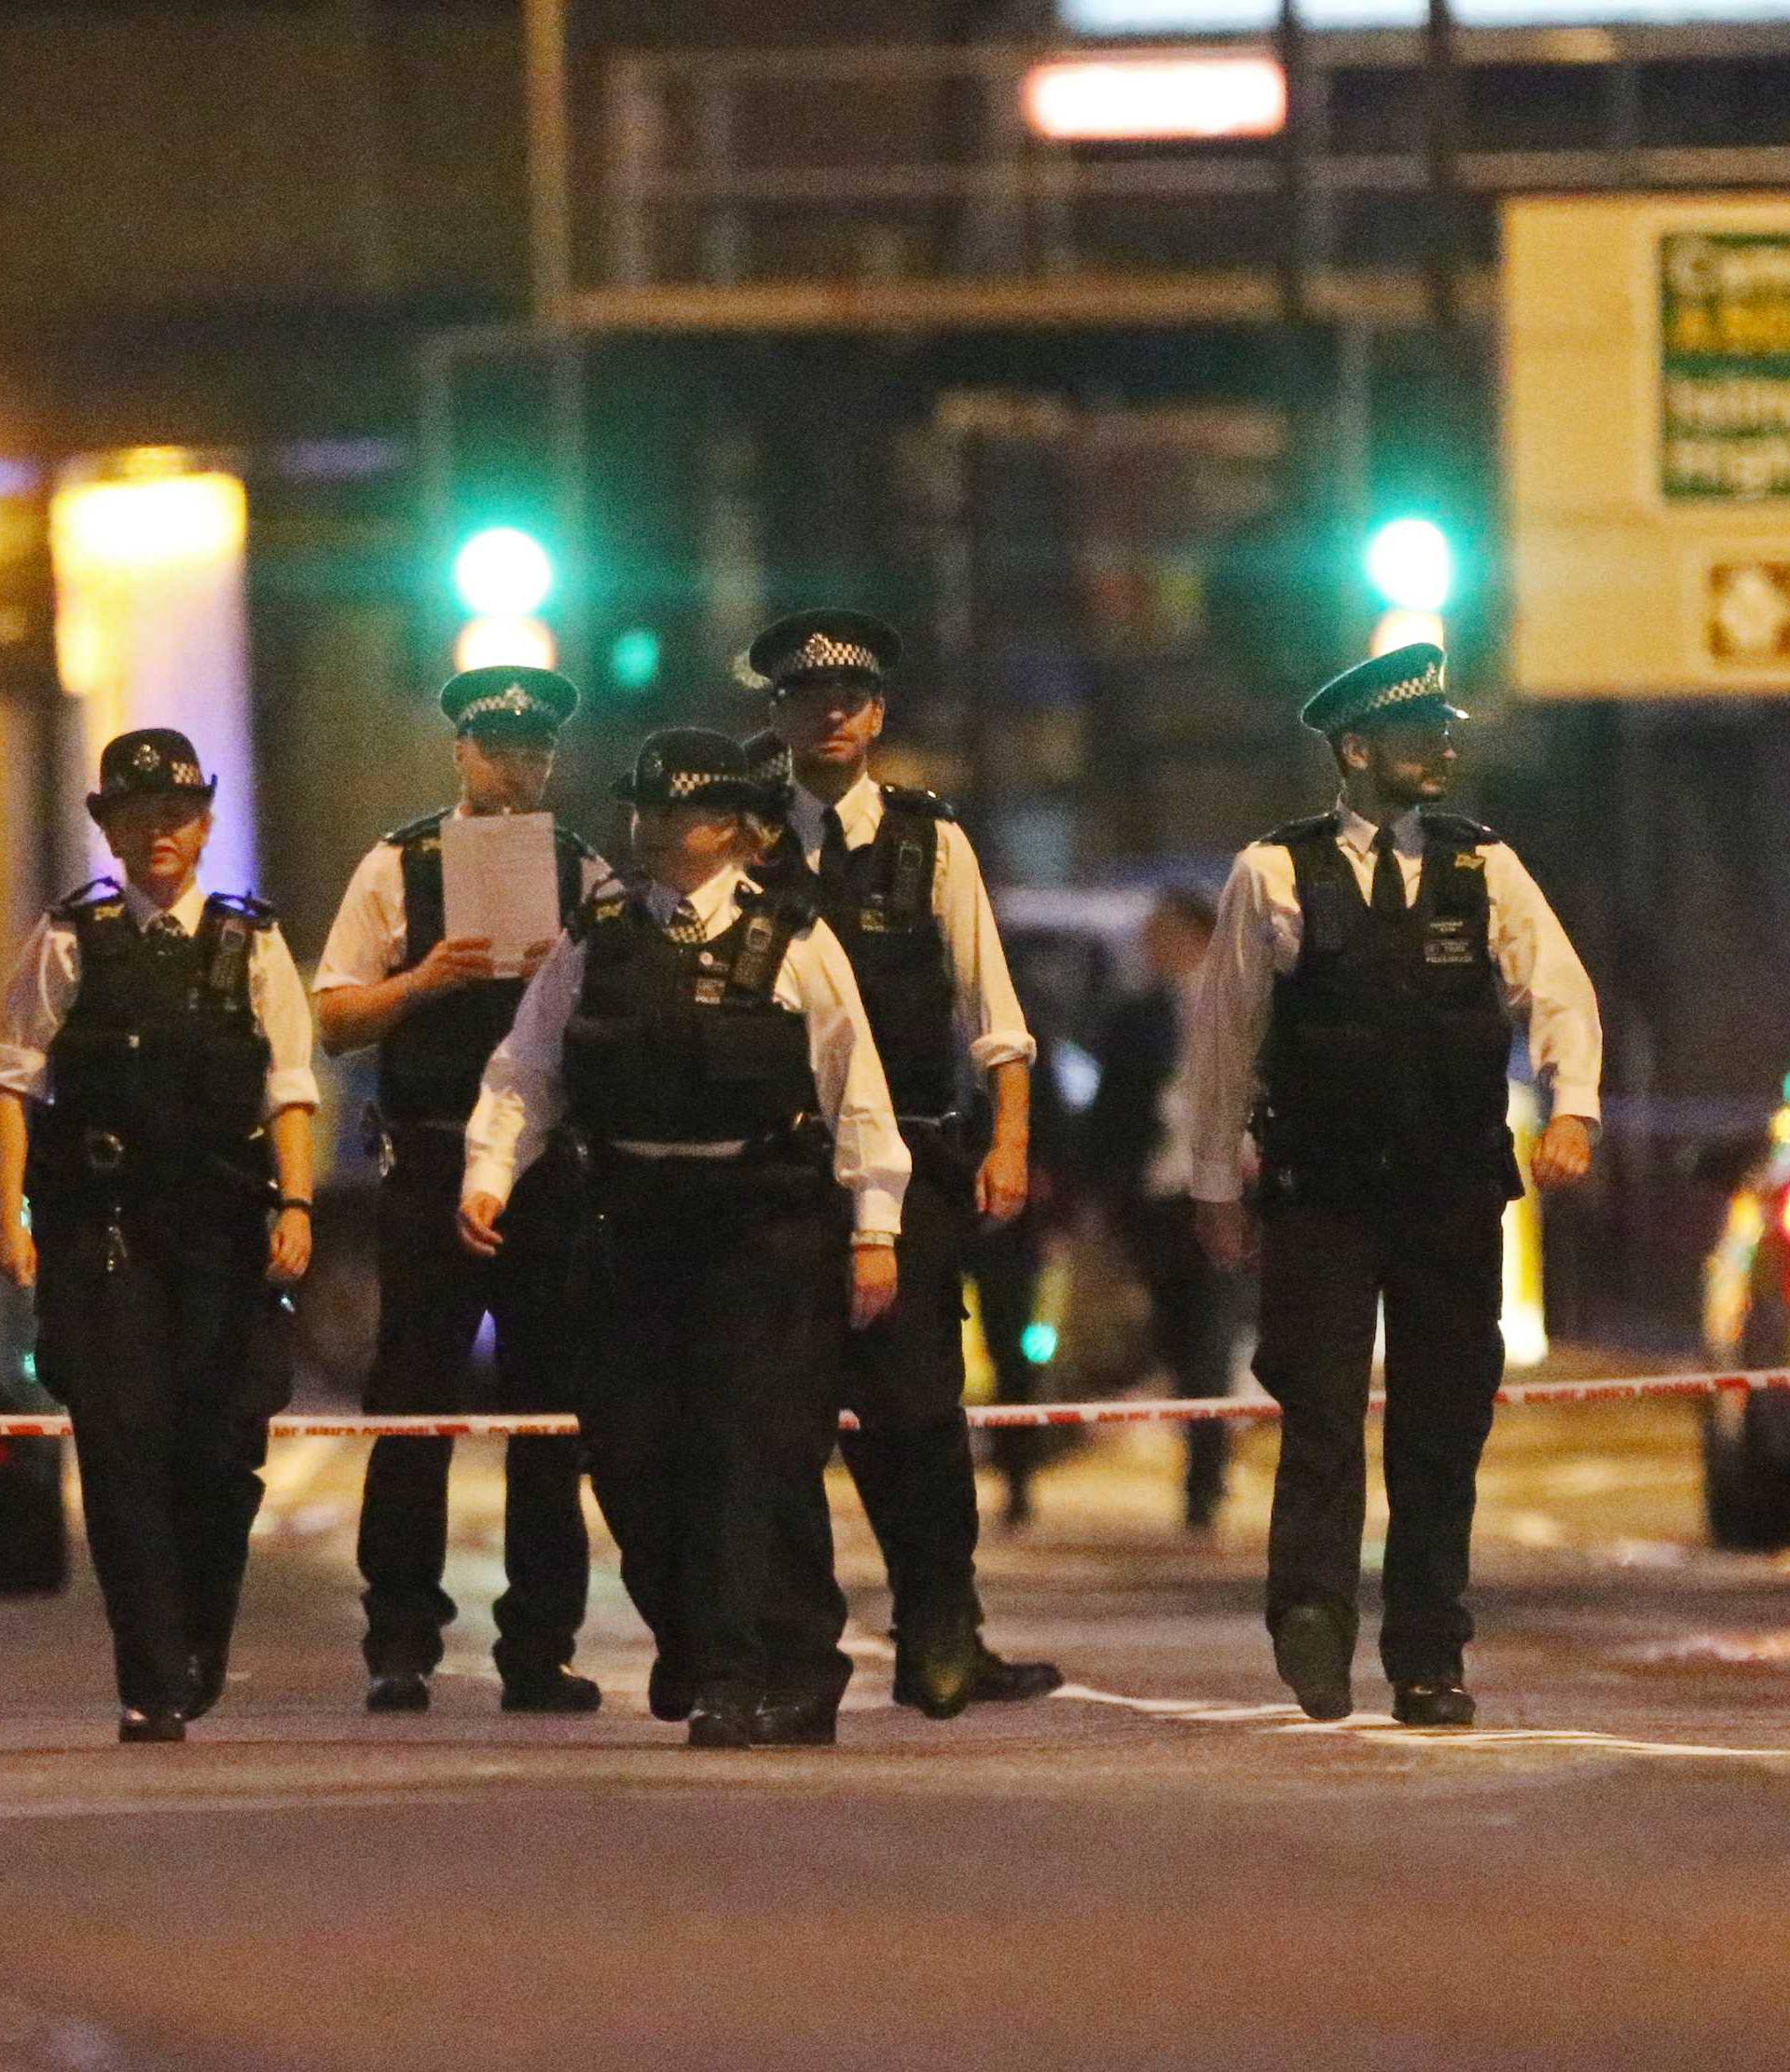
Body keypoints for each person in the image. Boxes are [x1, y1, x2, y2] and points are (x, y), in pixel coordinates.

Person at [461, 728, 910, 1750]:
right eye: (646, 810)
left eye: (680, 811)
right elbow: (527, 1069)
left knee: (752, 1456)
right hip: (631, 1221)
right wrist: (492, 1172)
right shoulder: (601, 934)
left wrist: (874, 1227)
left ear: (737, 829)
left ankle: (756, 1672)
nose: (656, 828)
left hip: (759, 1224)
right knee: (628, 1453)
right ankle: (702, 1643)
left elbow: (857, 1091)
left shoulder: (792, 938)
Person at [1184, 644, 1601, 1727]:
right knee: (1319, 1416)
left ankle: (1428, 1654)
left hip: (1452, 1195)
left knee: (1440, 1428)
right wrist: (1213, 1183)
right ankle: (1312, 1621)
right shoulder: (1275, 873)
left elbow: (1560, 991)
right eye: (1423, 734)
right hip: (1320, 1194)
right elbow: (1225, 1038)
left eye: (1448, 730)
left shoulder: (1483, 866)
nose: (1446, 747)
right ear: (1358, 749)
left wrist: (1574, 1108)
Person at [747, 610, 1062, 1719]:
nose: (829, 715)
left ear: (878, 715)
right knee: (780, 1425)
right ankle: (800, 1656)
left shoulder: (934, 844)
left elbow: (994, 1013)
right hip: (779, 1179)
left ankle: (943, 1631)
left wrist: (1008, 1139)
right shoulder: (741, 838)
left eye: (850, 699)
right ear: (775, 715)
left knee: (920, 1416)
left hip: (920, 1163)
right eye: (806, 699)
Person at [0, 729, 318, 1743]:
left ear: (205, 824)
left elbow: (290, 1086)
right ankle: (150, 1677)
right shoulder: (67, 939)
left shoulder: (251, 941)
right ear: (106, 826)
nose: (158, 833)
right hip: (106, 1234)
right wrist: (11, 1217)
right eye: (135, 815)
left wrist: (300, 1205)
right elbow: (15, 1082)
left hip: (224, 1233)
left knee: (222, 1450)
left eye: (176, 815)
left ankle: (197, 1640)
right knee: (124, 1450)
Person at [313, 665, 608, 1715]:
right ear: (460, 754)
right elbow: (335, 1016)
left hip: (547, 1171)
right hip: (432, 1157)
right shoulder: (400, 865)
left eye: (535, 752)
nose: (517, 770)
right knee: (412, 1405)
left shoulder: (586, 873)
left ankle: (541, 1645)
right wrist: (425, 981)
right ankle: (400, 1639)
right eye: (498, 749)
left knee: (550, 1412)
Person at [1080, 888, 1240, 1533]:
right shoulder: (1135, 1016)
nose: (1153, 946)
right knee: (1177, 1336)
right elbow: (1109, 1112)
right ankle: (1199, 1451)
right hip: (1157, 1200)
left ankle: (1206, 1477)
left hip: (1227, 1198)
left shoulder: (1245, 1006)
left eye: (1164, 932)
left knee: (1213, 1336)